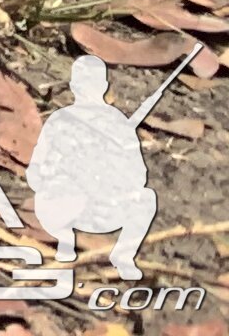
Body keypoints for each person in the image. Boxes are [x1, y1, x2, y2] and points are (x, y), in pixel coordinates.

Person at [28, 54, 161, 276]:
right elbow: (35, 171)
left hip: (102, 206)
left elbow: (138, 176)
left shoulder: (118, 125)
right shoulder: (60, 120)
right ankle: (64, 245)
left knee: (146, 198)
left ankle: (123, 255)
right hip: (64, 206)